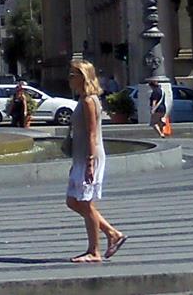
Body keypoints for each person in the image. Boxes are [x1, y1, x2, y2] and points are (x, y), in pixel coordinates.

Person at [64, 58, 125, 263]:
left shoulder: (90, 101)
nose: (70, 78)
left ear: (83, 77)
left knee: (85, 202)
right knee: (73, 201)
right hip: (82, 156)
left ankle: (94, 250)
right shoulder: (83, 100)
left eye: (73, 74)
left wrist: (89, 163)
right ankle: (112, 233)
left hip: (90, 155)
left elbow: (91, 134)